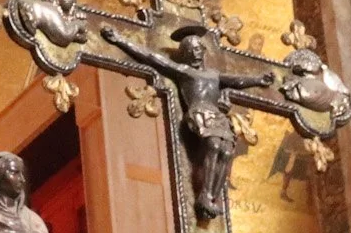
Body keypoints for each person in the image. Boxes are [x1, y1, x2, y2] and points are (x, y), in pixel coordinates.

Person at [100, 23, 272, 222]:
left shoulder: (214, 75)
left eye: (199, 49)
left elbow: (237, 81)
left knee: (227, 151)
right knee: (213, 145)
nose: (196, 54)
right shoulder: (184, 71)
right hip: (199, 112)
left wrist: (259, 80)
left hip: (216, 115)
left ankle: (214, 197)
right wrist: (120, 40)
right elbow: (151, 57)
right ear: (185, 54)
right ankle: (204, 194)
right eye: (191, 51)